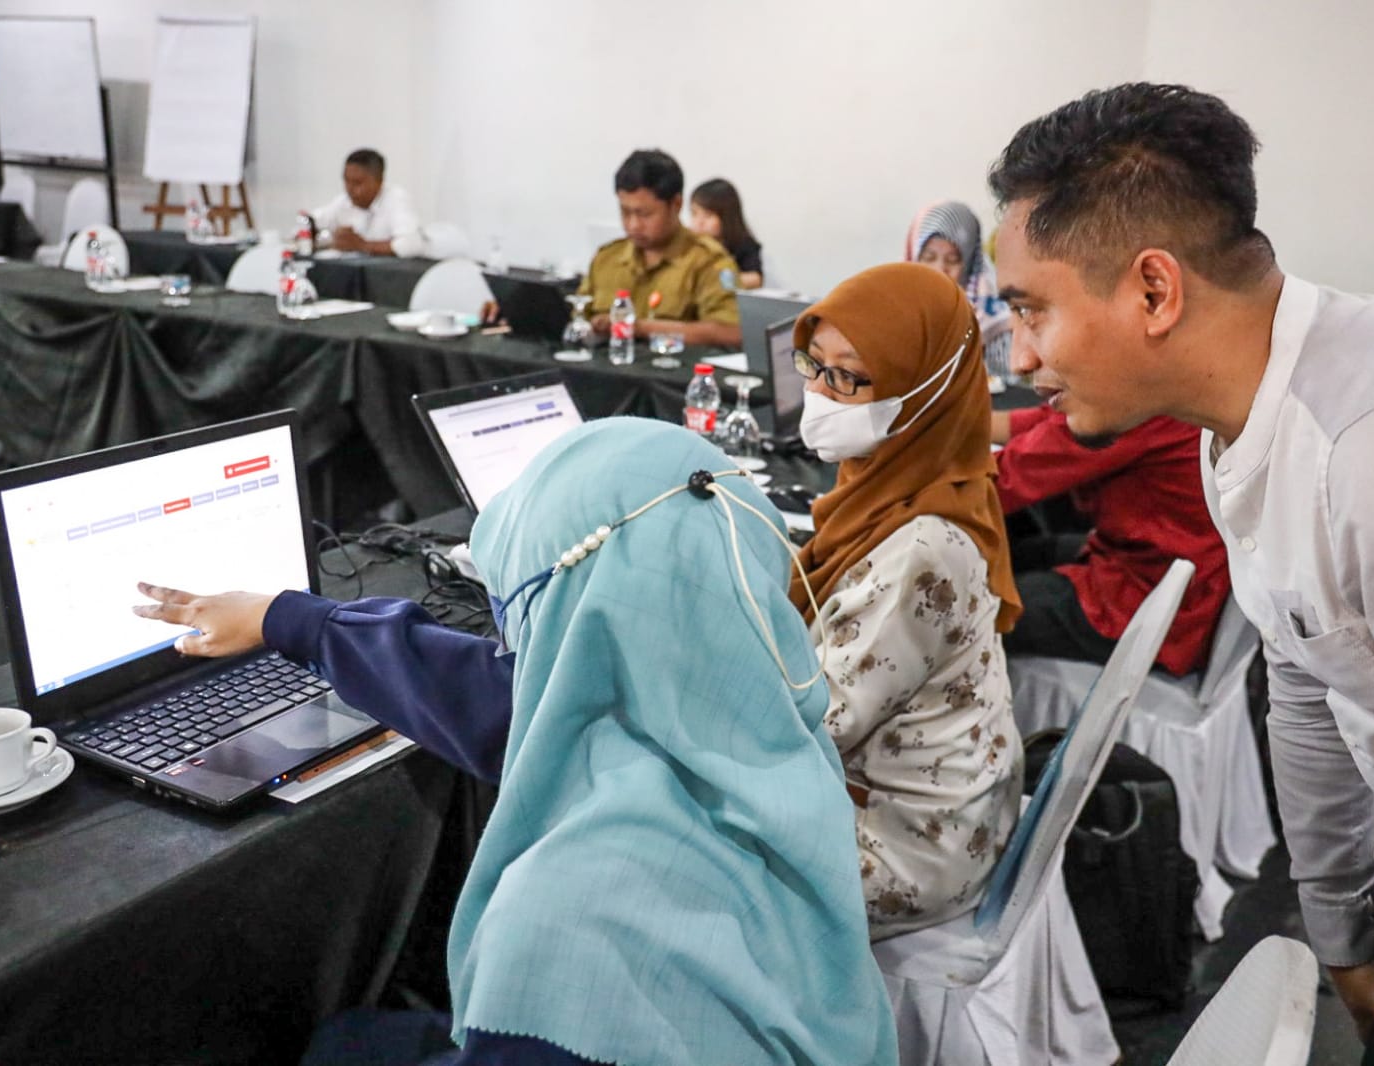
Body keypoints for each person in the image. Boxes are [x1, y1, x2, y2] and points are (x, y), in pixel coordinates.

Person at [989, 81, 1374, 1064]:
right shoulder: (1241, 416)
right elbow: (1310, 689)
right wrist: (1341, 925)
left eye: (1031, 310)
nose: (1021, 354)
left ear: (1154, 290)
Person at [133, 419, 898, 1065]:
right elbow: (524, 696)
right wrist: (286, 618)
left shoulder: (561, 932)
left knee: (341, 1041)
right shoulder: (785, 745)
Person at [790, 261, 1024, 938]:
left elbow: (816, 724)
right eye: (814, 364)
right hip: (934, 805)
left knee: (663, 852)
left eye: (849, 376)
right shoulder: (916, 478)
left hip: (907, 847)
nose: (820, 393)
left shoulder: (920, 550)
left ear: (925, 389)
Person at [991, 403, 1230, 676]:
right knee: (1017, 555)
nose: (1024, 362)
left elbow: (1002, 482)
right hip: (1142, 562)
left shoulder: (1129, 409)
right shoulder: (1145, 392)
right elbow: (1052, 421)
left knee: (968, 613)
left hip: (1150, 606)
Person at [578, 150, 741, 348]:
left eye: (644, 214)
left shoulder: (708, 261)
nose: (633, 225)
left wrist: (639, 327)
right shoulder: (607, 258)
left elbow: (730, 332)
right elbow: (577, 319)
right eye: (625, 212)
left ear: (676, 205)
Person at [905, 201, 1010, 334]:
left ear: (970, 266)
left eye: (952, 260)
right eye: (929, 258)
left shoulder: (996, 325)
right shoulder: (900, 314)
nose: (939, 270)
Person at [310, 148, 425, 258]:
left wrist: (362, 245)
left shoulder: (397, 199)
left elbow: (413, 245)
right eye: (346, 180)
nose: (350, 189)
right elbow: (312, 223)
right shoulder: (343, 202)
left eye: (357, 183)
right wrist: (330, 239)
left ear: (379, 181)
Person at [689, 178, 763, 288]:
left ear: (727, 217)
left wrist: (718, 279)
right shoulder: (691, 243)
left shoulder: (743, 244)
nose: (699, 222)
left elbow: (756, 279)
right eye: (694, 214)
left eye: (708, 215)